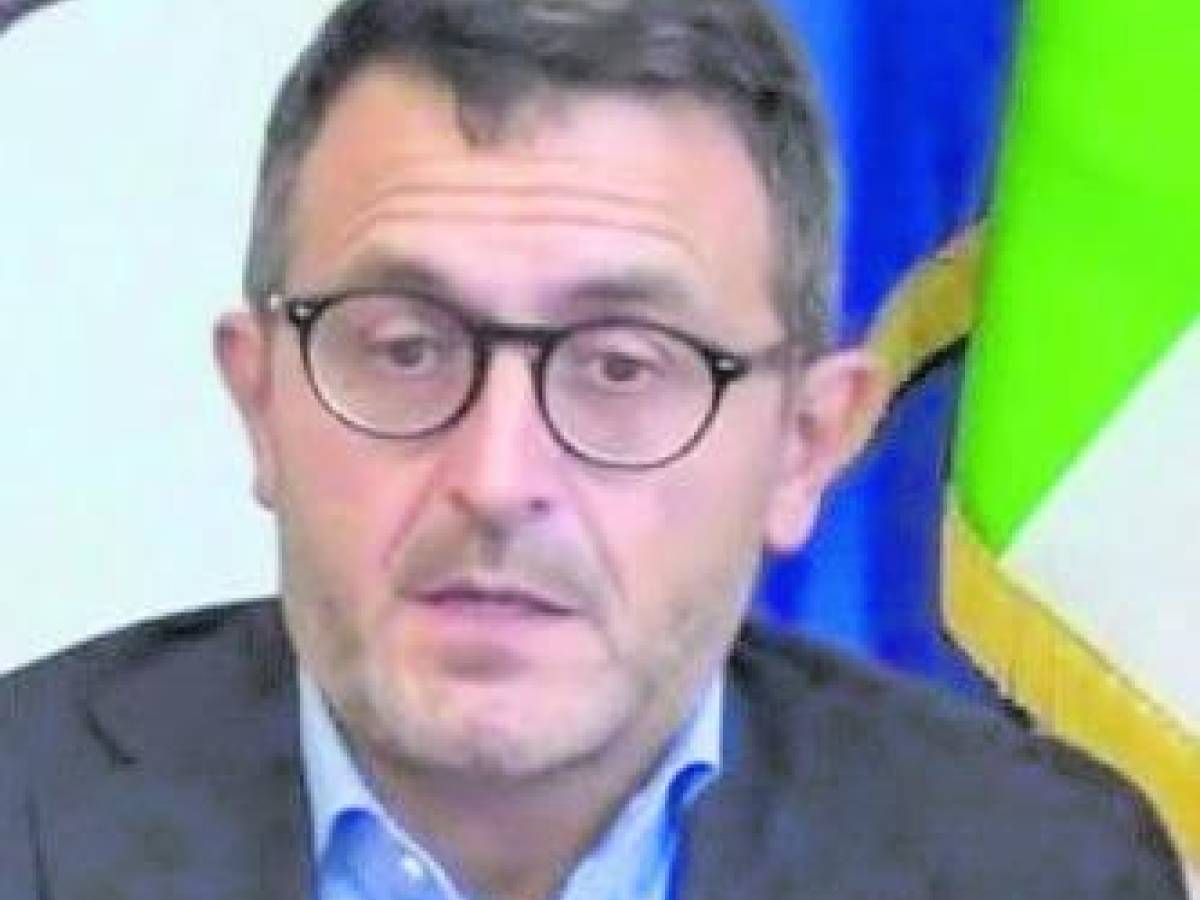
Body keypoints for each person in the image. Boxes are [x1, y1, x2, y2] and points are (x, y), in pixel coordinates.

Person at [0, 1, 1186, 898]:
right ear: (261, 401)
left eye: (623, 367)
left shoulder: (1041, 870)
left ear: (805, 446)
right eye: (406, 349)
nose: (498, 479)